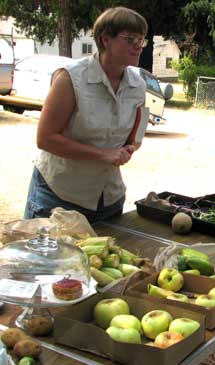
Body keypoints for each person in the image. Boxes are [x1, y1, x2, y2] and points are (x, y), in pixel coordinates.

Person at [24, 7, 149, 223]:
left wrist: (130, 147)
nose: (138, 46)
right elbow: (45, 138)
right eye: (130, 39)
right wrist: (104, 154)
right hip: (59, 198)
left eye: (141, 39)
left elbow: (136, 135)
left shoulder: (138, 85)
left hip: (108, 200)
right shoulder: (71, 78)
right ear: (106, 40)